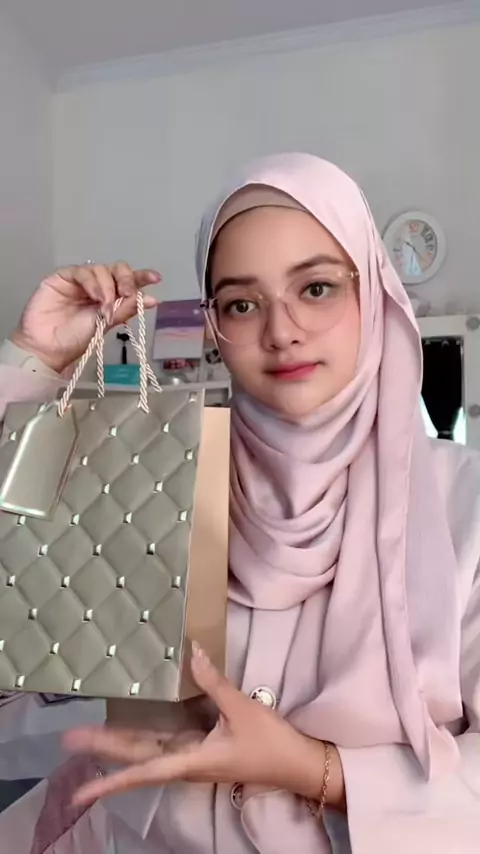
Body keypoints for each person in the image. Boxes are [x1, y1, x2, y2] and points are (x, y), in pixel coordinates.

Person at [1, 152, 479, 853]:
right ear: (215, 325)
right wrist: (34, 361)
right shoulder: (159, 475)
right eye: (242, 303)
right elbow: (18, 586)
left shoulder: (464, 506)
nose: (282, 330)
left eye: (316, 288)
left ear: (372, 294)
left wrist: (313, 769)